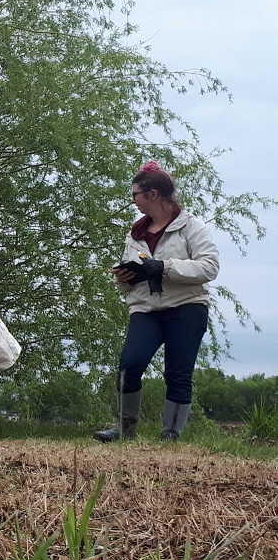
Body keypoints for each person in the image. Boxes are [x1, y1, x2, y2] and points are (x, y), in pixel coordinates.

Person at [94, 160, 219, 443]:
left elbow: (209, 268)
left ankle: (170, 436)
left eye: (135, 194)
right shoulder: (134, 234)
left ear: (153, 194)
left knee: (178, 373)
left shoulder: (192, 227)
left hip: (187, 307)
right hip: (146, 310)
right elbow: (127, 284)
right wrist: (125, 277)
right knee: (130, 365)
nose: (132, 200)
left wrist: (163, 267)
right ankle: (126, 432)